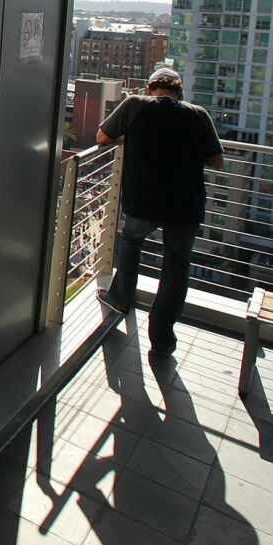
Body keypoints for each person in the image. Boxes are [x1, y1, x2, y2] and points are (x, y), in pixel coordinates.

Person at [95, 66, 223, 355]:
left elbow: (102, 138)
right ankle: (162, 337)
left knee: (131, 243)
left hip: (144, 200)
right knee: (176, 269)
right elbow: (216, 161)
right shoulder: (198, 114)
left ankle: (120, 298)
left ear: (150, 88)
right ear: (179, 92)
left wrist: (133, 139)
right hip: (185, 205)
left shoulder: (135, 105)